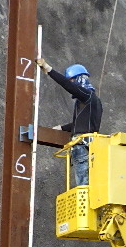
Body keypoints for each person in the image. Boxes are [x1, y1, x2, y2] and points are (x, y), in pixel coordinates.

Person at [38, 57, 102, 186]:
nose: (71, 83)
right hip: (90, 146)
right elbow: (81, 124)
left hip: (82, 145)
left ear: (79, 79)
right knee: (87, 181)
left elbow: (69, 86)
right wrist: (61, 128)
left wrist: (49, 69)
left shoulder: (87, 96)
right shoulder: (93, 101)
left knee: (83, 183)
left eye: (72, 80)